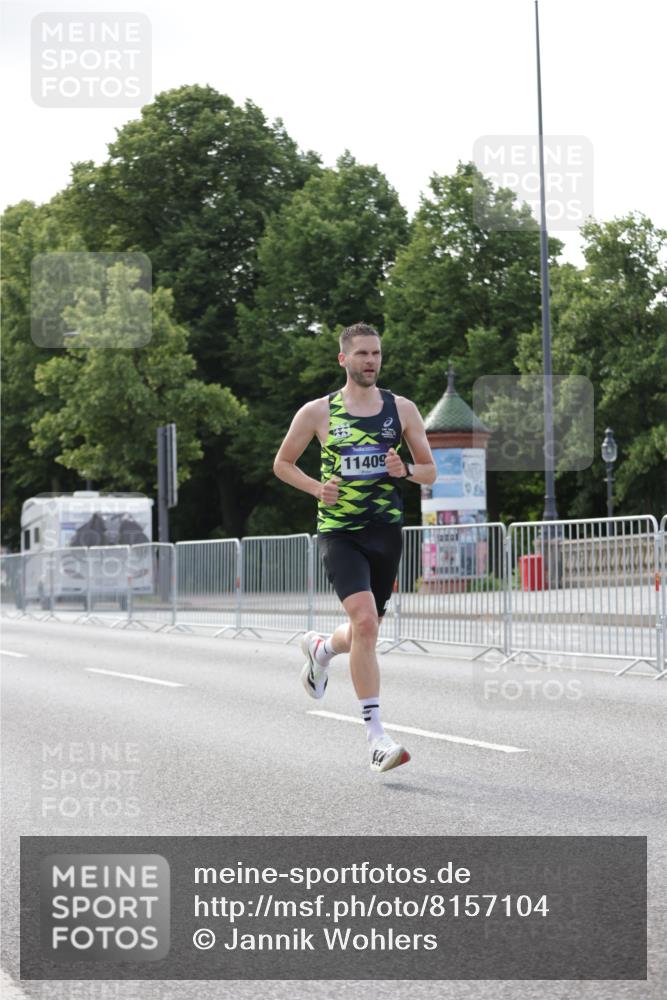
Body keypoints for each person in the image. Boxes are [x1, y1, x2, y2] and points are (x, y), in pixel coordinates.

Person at [273, 322, 436, 773]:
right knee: (364, 620)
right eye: (362, 354)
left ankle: (321, 650)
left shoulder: (401, 410)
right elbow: (282, 463)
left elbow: (430, 472)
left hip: (385, 531)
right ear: (343, 359)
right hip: (340, 531)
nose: (371, 361)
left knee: (366, 630)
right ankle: (376, 739)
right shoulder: (317, 412)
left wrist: (404, 470)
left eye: (376, 354)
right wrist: (314, 488)